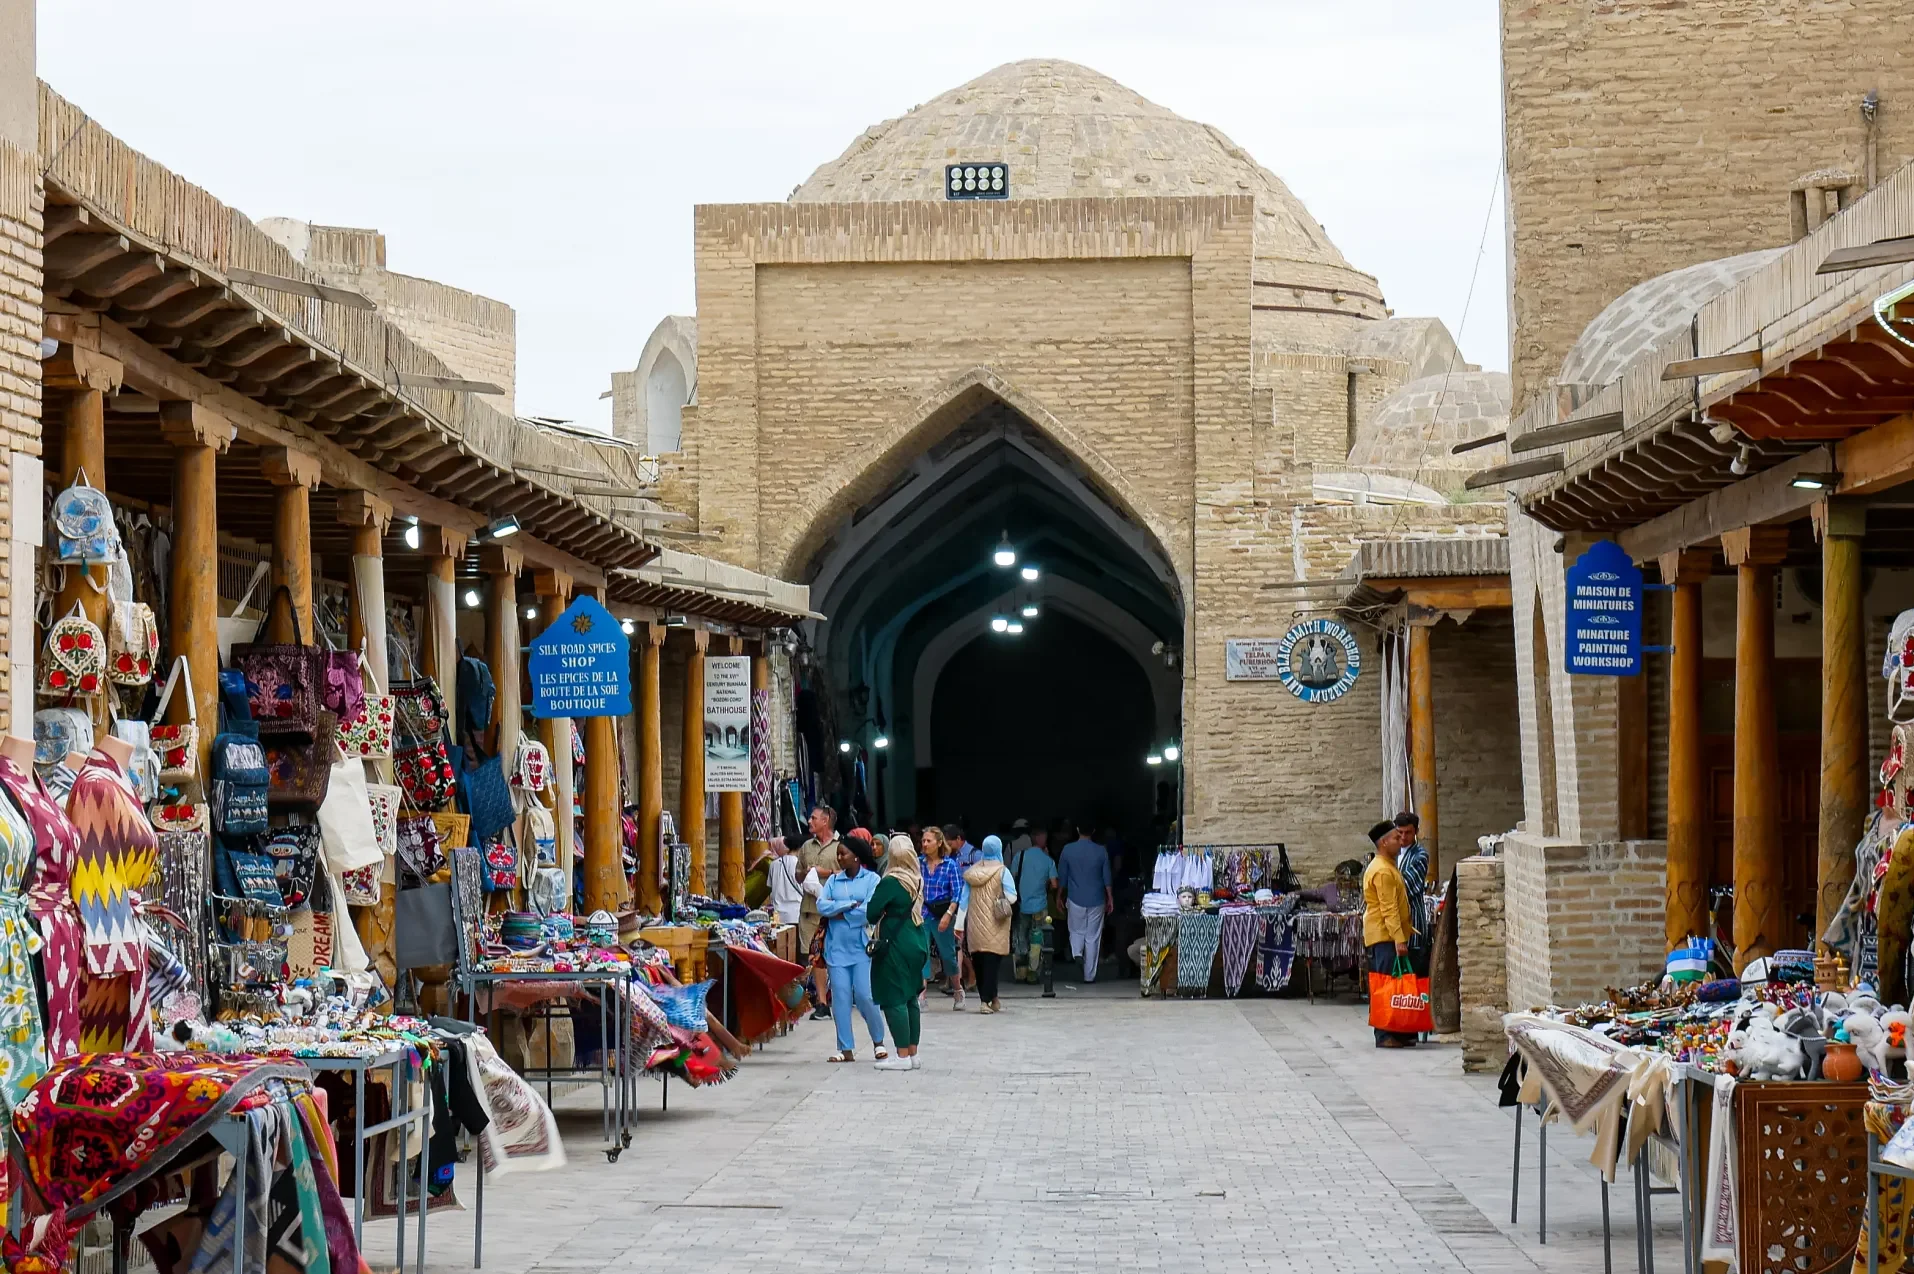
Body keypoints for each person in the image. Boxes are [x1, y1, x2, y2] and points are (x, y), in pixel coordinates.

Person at [816, 829, 889, 1062]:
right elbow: (821, 905)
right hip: (836, 948)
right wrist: (847, 904)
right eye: (838, 854)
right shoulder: (833, 880)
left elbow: (868, 911)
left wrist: (839, 912)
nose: (839, 858)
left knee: (865, 996)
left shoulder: (872, 880)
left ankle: (878, 1041)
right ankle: (845, 1048)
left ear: (856, 856)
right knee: (841, 998)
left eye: (843, 854)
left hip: (861, 948)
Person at [869, 834, 930, 1071]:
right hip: (916, 938)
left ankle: (901, 1055)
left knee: (894, 997)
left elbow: (871, 913)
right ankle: (913, 1053)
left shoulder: (891, 881)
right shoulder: (916, 879)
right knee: (910, 997)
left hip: (895, 942)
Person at [1363, 819, 1417, 1049]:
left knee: (1396, 985)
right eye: (1396, 837)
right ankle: (1384, 1035)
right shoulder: (1382, 870)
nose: (1400, 841)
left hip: (1389, 935)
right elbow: (1388, 908)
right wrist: (1399, 938)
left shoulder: (1388, 865)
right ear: (1384, 843)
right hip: (1384, 936)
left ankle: (1398, 1030)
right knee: (1385, 985)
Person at [953, 834, 1017, 1013]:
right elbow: (1012, 897)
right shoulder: (1002, 871)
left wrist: (958, 925)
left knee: (979, 962)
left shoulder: (972, 872)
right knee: (992, 964)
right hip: (995, 924)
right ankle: (986, 1001)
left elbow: (963, 901)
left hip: (974, 925)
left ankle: (990, 999)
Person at [795, 805, 842, 1019]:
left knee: (833, 956)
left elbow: (849, 873)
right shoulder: (806, 847)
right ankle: (821, 1003)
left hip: (832, 912)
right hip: (809, 910)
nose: (810, 822)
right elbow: (797, 875)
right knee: (815, 958)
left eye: (814, 818)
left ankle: (839, 999)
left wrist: (828, 872)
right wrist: (805, 873)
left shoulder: (840, 847)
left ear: (825, 821)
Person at [1055, 822, 1113, 982]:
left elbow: (1063, 876)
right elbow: (1106, 877)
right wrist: (1110, 897)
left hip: (1075, 898)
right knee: (1093, 936)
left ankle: (1077, 953)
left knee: (1075, 929)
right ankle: (1089, 976)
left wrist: (1059, 896)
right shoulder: (1101, 851)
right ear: (1093, 830)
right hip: (1097, 899)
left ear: (1077, 829)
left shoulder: (1068, 850)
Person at [920, 825, 965, 1005]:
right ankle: (921, 995)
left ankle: (957, 989)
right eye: (923, 840)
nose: (925, 844)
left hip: (943, 914)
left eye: (928, 841)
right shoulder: (918, 863)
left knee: (948, 955)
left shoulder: (950, 865)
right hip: (922, 914)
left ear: (939, 843)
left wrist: (948, 914)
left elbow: (957, 893)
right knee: (922, 954)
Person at [1010, 824, 1057, 983]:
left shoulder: (1020, 856)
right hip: (1040, 906)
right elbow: (1055, 884)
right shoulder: (1048, 860)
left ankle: (1021, 972)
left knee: (1020, 936)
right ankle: (1033, 971)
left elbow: (1012, 877)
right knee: (1037, 938)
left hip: (1022, 905)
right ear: (1043, 839)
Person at [1393, 811, 1431, 975]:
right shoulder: (1392, 855)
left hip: (1413, 924)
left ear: (1415, 831)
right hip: (1393, 929)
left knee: (1413, 979)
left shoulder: (1419, 856)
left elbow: (1404, 888)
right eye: (1399, 832)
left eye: (1407, 832)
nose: (1403, 837)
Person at [765, 836, 803, 925]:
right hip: (796, 914)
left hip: (778, 915)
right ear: (800, 848)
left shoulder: (773, 864)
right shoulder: (800, 865)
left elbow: (770, 887)